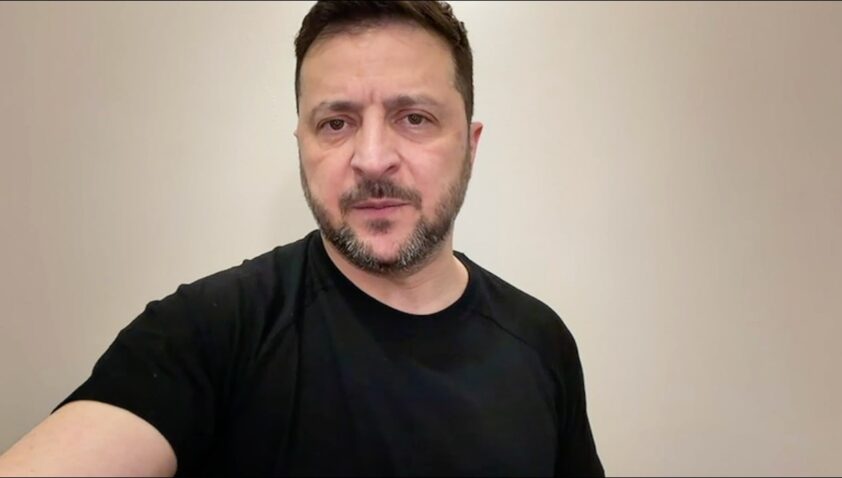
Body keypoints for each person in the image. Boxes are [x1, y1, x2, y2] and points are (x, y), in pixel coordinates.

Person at [0, 1, 604, 476]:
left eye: (414, 118)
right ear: (303, 146)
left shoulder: (540, 341)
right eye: (335, 123)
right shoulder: (208, 330)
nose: (372, 158)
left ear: (470, 146)